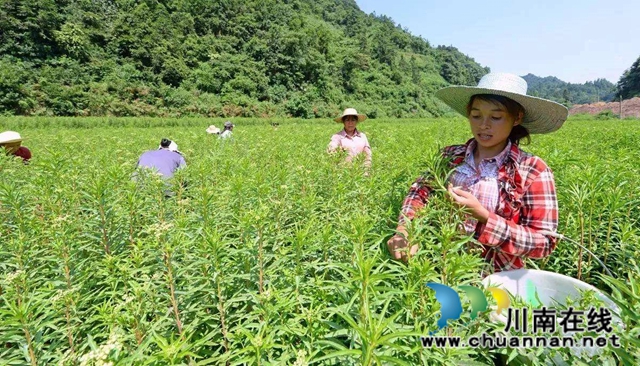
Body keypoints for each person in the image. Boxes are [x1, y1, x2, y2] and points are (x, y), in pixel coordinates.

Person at [387, 73, 569, 273]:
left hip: (495, 280)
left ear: (517, 117)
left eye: (496, 117)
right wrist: (404, 230)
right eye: (476, 115)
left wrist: (484, 216)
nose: (484, 125)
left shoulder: (533, 170)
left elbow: (544, 242)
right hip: (438, 270)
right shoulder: (450, 156)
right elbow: (419, 192)